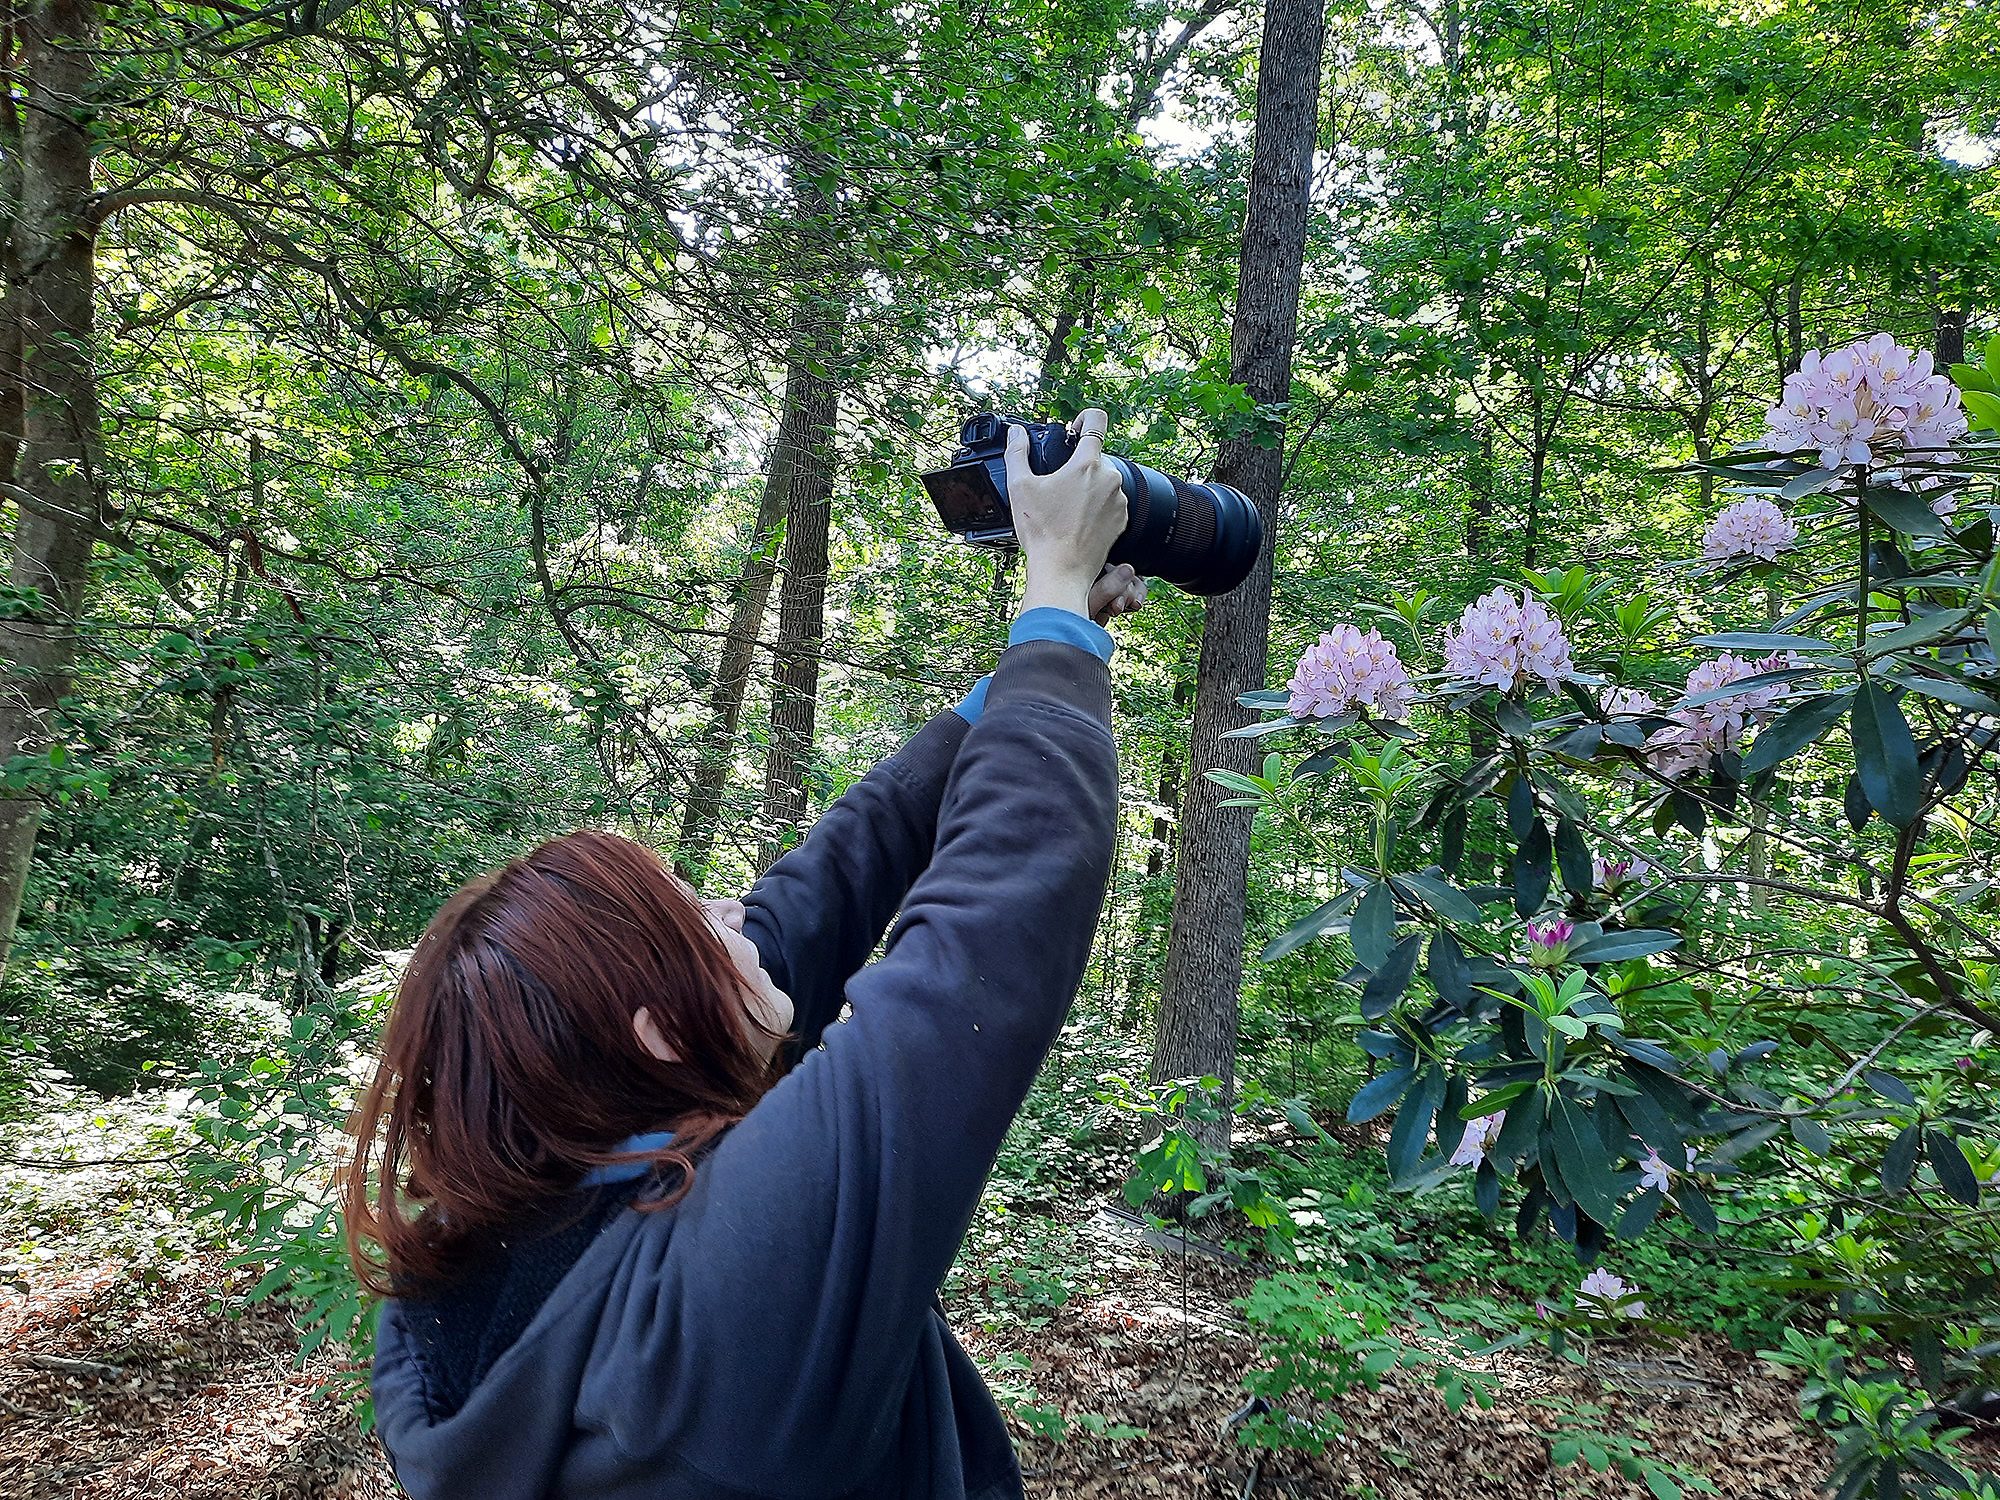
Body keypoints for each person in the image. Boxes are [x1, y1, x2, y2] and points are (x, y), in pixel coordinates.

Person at [346, 409, 1148, 1500]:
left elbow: (825, 886)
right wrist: (1048, 605)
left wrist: (1033, 651)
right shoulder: (730, 1306)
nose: (738, 905)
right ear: (653, 1031)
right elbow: (984, 942)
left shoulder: (487, 1267)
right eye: (701, 917)